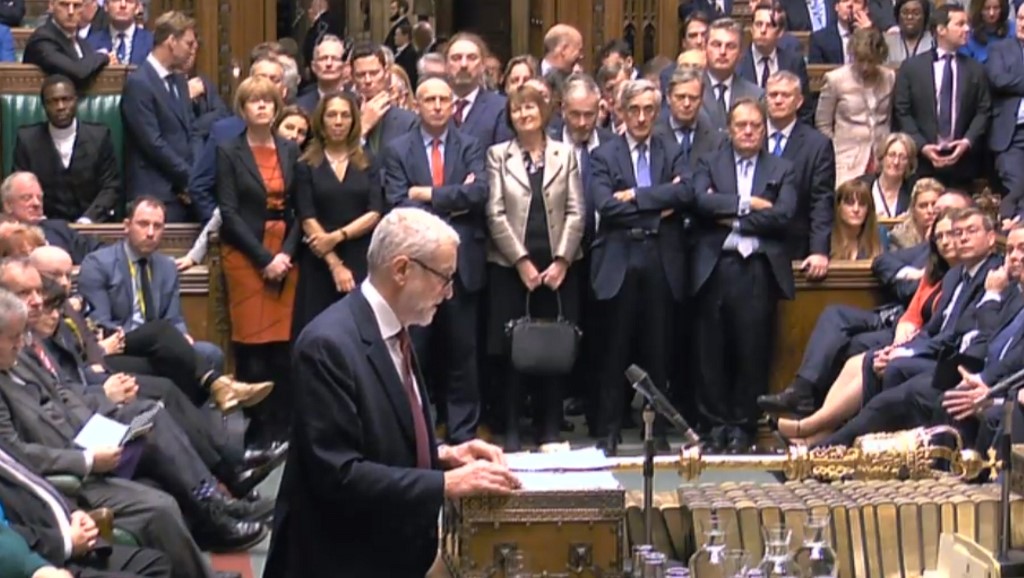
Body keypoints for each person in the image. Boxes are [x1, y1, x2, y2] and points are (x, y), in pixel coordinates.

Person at [264, 208, 520, 578]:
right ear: (402, 270)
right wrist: (445, 483)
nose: (449, 294)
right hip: (342, 561)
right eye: (444, 278)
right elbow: (339, 475)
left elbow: (383, 435)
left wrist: (443, 455)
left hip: (394, 551)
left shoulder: (395, 330)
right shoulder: (327, 345)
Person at [485, 83, 584, 450]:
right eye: (517, 109)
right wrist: (522, 262)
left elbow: (577, 211)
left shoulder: (566, 154)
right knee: (513, 349)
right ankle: (511, 429)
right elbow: (494, 214)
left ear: (545, 112)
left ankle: (549, 430)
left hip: (559, 268)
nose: (524, 114)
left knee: (553, 346)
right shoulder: (498, 155)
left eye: (530, 108)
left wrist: (561, 260)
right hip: (510, 268)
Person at [216, 76, 301, 446]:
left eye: (268, 101)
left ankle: (283, 429)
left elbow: (301, 209)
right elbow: (229, 212)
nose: (262, 107)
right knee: (252, 342)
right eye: (254, 102)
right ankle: (257, 429)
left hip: (286, 254)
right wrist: (265, 258)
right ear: (243, 109)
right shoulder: (228, 151)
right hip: (246, 255)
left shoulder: (290, 150)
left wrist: (285, 254)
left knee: (283, 344)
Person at [291, 91, 384, 337]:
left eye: (345, 115)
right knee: (317, 332)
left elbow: (375, 212)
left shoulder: (369, 161)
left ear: (354, 121)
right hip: (319, 260)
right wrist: (334, 264)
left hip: (360, 256)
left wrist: (338, 236)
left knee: (360, 333)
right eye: (332, 115)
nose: (339, 121)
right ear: (321, 120)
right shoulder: (305, 164)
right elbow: (307, 216)